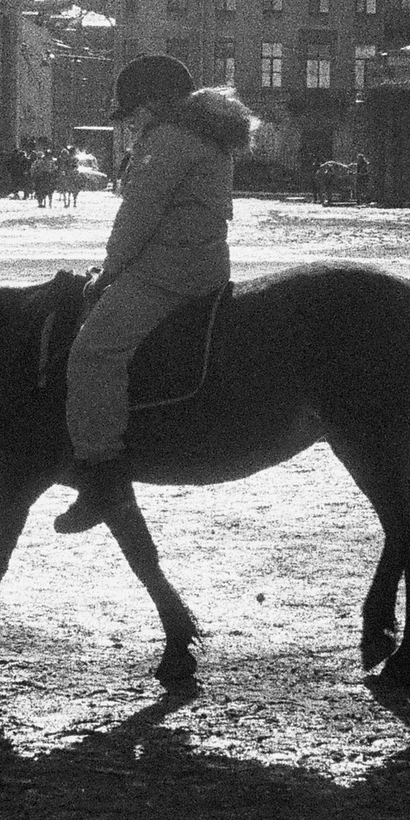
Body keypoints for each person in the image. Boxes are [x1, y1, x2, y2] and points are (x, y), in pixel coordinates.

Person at [57, 54, 254, 533]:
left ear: (157, 102)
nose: (131, 123)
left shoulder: (168, 139)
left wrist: (108, 274)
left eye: (135, 112)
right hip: (199, 261)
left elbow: (137, 219)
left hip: (168, 271)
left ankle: (100, 475)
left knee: (92, 352)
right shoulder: (203, 131)